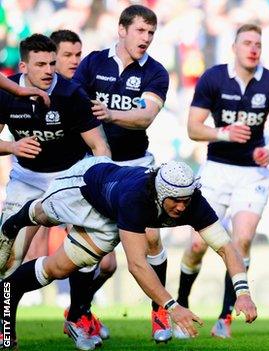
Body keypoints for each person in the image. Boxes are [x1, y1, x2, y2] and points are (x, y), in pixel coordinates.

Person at [0, 157, 258, 351]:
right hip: (85, 185)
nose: (182, 207)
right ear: (161, 193)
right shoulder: (136, 199)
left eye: (186, 200)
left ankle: (6, 293)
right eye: (175, 200)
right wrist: (172, 306)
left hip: (109, 215)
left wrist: (243, 293)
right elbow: (136, 265)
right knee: (43, 215)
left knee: (57, 270)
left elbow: (226, 246)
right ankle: (13, 222)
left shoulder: (193, 201)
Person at [174, 23, 269, 339]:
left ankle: (225, 318)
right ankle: (182, 306)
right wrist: (223, 133)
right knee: (198, 244)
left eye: (258, 43)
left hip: (252, 175)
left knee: (241, 241)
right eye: (247, 43)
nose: (253, 48)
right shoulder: (214, 77)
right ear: (234, 47)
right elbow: (192, 127)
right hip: (216, 170)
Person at [70, 4, 171, 342]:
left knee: (152, 237)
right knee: (94, 252)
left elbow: (145, 116)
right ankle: (79, 314)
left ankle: (160, 312)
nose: (146, 39)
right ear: (122, 29)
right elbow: (74, 105)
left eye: (151, 33)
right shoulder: (93, 63)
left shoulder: (155, 72)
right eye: (141, 31)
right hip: (97, 166)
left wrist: (109, 115)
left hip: (136, 164)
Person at [0, 33, 110, 277]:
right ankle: (5, 315)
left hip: (68, 178)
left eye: (51, 63)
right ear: (23, 66)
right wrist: (12, 147)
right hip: (26, 179)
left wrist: (101, 185)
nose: (49, 70)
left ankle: (78, 312)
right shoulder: (7, 92)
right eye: (40, 64)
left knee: (95, 258)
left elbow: (99, 146)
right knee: (7, 258)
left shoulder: (72, 95)